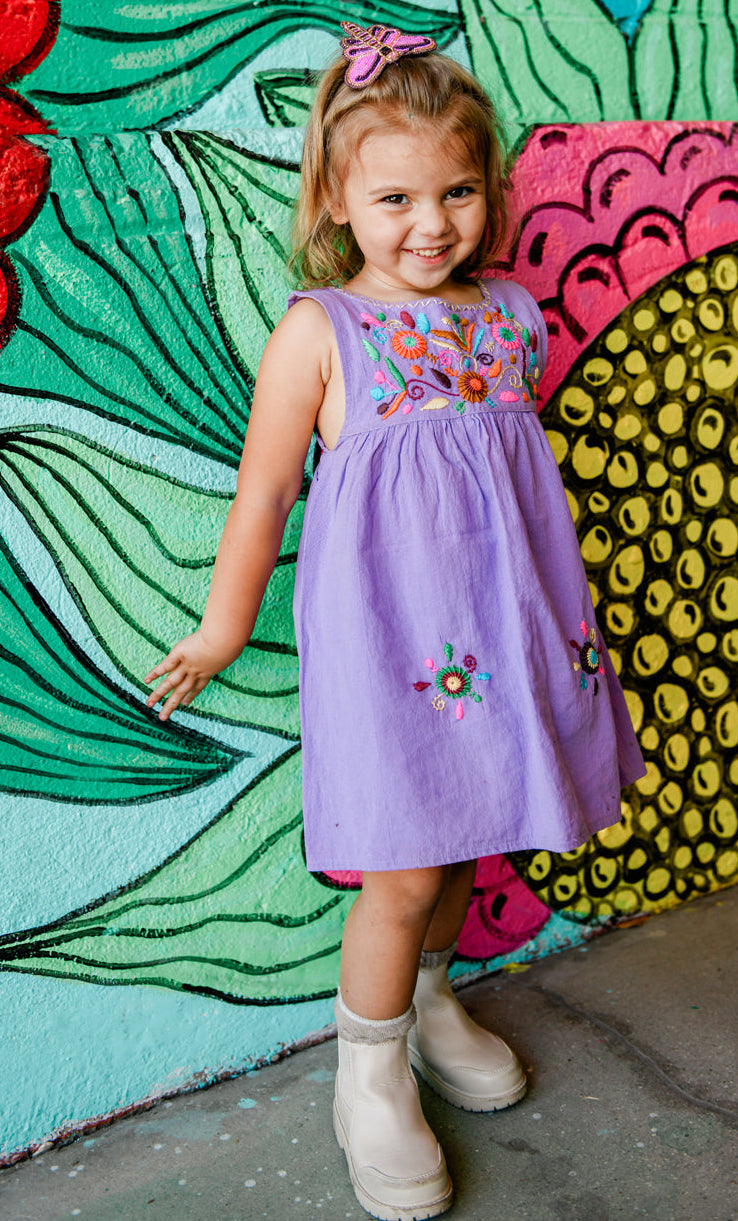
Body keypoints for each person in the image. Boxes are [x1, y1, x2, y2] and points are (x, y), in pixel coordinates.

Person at [145, 21, 646, 1221]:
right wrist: (222, 629)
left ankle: (427, 1007)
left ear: (489, 190)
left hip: (505, 636)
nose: (433, 224)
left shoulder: (510, 316)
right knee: (405, 871)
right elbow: (265, 489)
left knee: (469, 839)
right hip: (394, 653)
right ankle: (366, 1074)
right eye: (397, 197)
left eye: (458, 191)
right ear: (335, 198)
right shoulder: (324, 332)